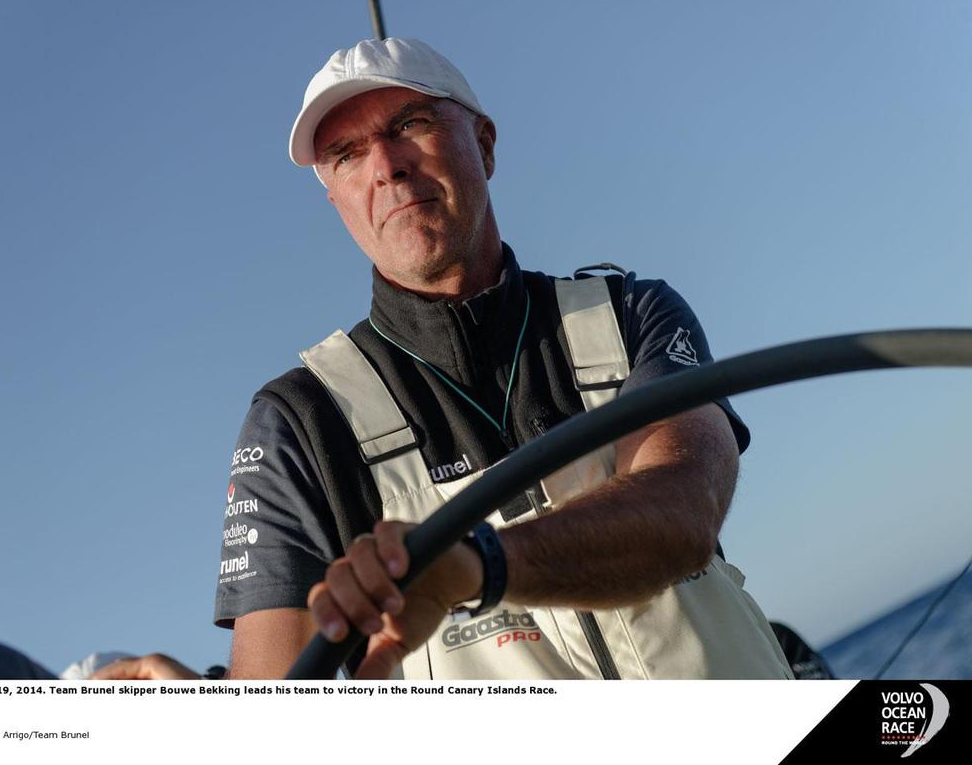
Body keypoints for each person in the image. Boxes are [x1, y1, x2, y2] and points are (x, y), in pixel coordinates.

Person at [208, 37, 792, 681]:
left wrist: (470, 567)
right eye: (346, 155)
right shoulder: (300, 422)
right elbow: (271, 706)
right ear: (335, 199)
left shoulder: (630, 312)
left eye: (412, 124)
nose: (386, 167)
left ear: (485, 144)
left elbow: (684, 509)